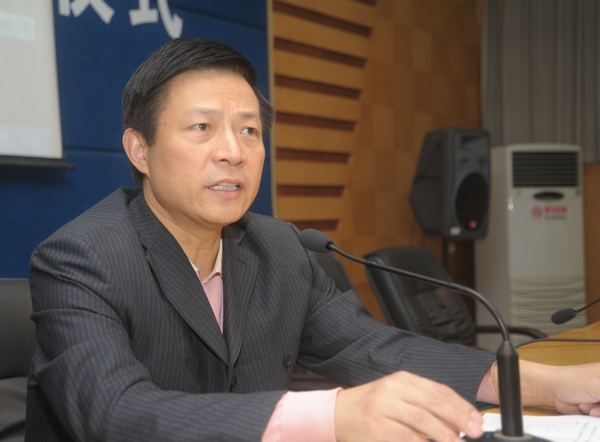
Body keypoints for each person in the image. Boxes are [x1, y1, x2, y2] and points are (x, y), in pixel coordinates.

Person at [25, 37, 600, 442]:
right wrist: (331, 417)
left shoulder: (278, 248)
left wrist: (547, 384)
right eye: (202, 128)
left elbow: (376, 350)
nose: (233, 151)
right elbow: (115, 414)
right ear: (139, 150)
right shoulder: (81, 258)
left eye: (250, 130)